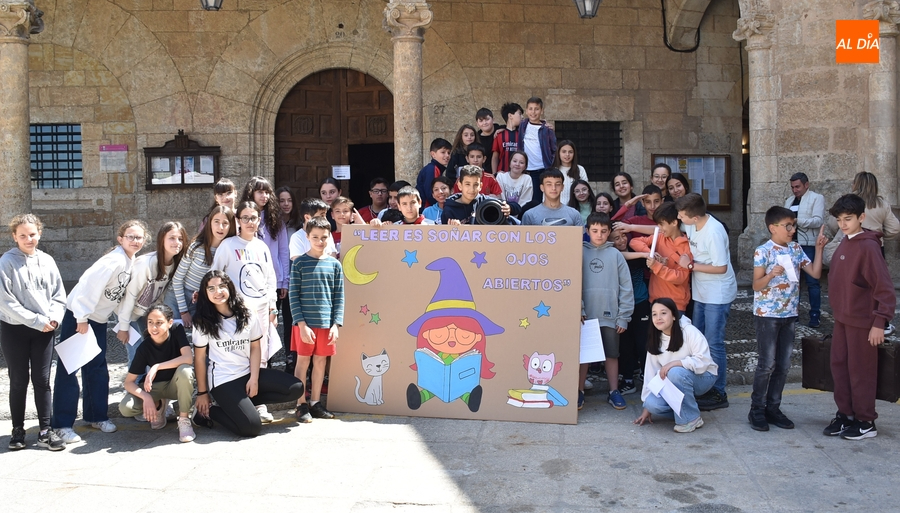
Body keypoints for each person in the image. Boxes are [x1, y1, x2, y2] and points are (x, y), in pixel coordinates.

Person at [52, 220, 148, 444]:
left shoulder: (131, 263)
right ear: (120, 238)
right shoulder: (113, 261)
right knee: (69, 369)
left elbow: (117, 298)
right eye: (131, 236)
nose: (135, 241)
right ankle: (62, 424)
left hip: (97, 320)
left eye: (139, 237)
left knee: (96, 368)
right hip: (78, 317)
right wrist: (81, 318)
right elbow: (88, 286)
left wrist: (121, 325)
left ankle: (96, 416)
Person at [192, 271, 305, 437]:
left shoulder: (246, 313)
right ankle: (210, 412)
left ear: (230, 287)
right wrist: (202, 393)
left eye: (222, 286)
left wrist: (254, 378)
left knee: (295, 388)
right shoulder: (202, 320)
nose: (218, 292)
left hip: (247, 374)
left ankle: (240, 405)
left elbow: (255, 347)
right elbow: (200, 358)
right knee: (251, 428)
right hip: (224, 380)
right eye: (211, 288)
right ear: (205, 293)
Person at [822, 194, 896, 440]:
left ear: (862, 218)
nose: (843, 224)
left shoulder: (868, 246)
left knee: (861, 371)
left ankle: (866, 421)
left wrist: (879, 322)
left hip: (863, 322)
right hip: (843, 319)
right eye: (840, 220)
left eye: (848, 219)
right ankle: (846, 415)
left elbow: (884, 288)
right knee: (840, 367)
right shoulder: (846, 241)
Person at [749, 206, 825, 432]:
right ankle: (756, 409)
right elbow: (756, 285)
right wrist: (771, 275)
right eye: (787, 226)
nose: (792, 230)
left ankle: (773, 407)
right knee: (767, 364)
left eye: (793, 225)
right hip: (768, 315)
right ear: (773, 228)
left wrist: (819, 249)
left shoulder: (796, 248)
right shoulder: (763, 251)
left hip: (789, 314)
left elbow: (816, 273)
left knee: (782, 365)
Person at [0, 214, 67, 451]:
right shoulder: (6, 262)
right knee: (18, 380)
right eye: (23, 235)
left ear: (39, 233)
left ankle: (46, 431)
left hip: (45, 331)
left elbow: (59, 295)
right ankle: (18, 430)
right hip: (14, 330)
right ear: (14, 237)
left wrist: (54, 319)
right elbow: (5, 301)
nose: (29, 239)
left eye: (32, 234)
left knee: (42, 380)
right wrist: (37, 321)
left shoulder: (47, 261)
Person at [212, 201, 279, 423]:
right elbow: (215, 275)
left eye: (254, 218)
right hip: (237, 313)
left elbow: (270, 278)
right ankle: (235, 399)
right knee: (238, 356)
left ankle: (258, 403)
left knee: (261, 357)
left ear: (259, 220)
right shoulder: (228, 245)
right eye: (245, 218)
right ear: (237, 221)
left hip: (261, 310)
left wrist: (273, 306)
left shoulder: (262, 246)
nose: (250, 222)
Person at [675, 193, 737, 411]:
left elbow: (721, 267)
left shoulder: (714, 231)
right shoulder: (692, 224)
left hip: (717, 294)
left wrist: (690, 266)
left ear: (694, 217)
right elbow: (667, 228)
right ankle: (703, 386)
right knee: (698, 339)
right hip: (701, 292)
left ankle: (719, 391)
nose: (679, 218)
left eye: (682, 215)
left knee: (714, 342)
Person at [633, 298, 718, 433]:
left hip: (703, 377)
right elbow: (651, 373)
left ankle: (691, 419)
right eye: (654, 314)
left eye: (663, 313)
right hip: (675, 381)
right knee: (651, 404)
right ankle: (688, 409)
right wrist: (646, 408)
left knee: (675, 372)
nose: (658, 318)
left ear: (673, 316)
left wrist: (678, 363)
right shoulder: (655, 340)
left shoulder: (689, 331)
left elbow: (704, 361)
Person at [289, 217, 345, 422]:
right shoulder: (299, 263)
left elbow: (339, 296)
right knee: (302, 363)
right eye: (315, 237)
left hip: (326, 324)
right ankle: (300, 403)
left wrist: (336, 324)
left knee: (320, 361)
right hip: (305, 325)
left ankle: (315, 402)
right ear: (307, 237)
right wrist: (301, 325)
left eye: (323, 237)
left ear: (329, 237)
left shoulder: (334, 265)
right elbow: (293, 296)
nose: (320, 241)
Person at [118, 305, 196, 443]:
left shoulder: (177, 330)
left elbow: (188, 358)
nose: (154, 327)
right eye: (150, 322)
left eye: (159, 323)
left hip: (175, 385)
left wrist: (157, 367)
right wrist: (146, 397)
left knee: (185, 371)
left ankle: (184, 420)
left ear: (169, 322)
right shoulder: (144, 347)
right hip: (154, 389)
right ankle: (159, 405)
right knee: (126, 408)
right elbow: (129, 382)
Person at [580, 212, 634, 410]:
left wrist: (624, 317)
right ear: (587, 231)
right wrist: (579, 308)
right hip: (585, 317)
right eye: (594, 231)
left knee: (612, 355)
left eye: (604, 231)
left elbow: (626, 287)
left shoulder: (616, 255)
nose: (599, 235)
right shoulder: (579, 253)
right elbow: (573, 283)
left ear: (609, 232)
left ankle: (613, 391)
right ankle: (579, 391)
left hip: (610, 316)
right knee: (584, 356)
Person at [115, 221, 188, 367]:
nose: (177, 242)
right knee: (135, 352)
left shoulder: (174, 263)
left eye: (180, 239)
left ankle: (149, 384)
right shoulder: (146, 264)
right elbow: (130, 296)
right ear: (162, 240)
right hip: (126, 312)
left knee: (150, 347)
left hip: (145, 312)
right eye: (172, 238)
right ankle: (133, 386)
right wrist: (123, 326)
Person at [172, 205, 234, 328]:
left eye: (225, 223)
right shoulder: (196, 247)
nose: (220, 227)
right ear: (210, 223)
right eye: (216, 222)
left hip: (204, 300)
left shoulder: (229, 251)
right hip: (179, 297)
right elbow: (177, 280)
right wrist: (183, 311)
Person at [628, 203, 692, 313]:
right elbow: (634, 242)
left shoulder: (687, 246)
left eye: (662, 224)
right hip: (655, 300)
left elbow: (680, 277)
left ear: (674, 222)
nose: (659, 228)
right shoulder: (660, 237)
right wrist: (651, 253)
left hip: (676, 304)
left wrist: (656, 266)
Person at [783, 172, 825, 327]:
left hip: (808, 245)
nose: (795, 190)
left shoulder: (816, 198)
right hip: (791, 245)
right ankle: (794, 313)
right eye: (793, 187)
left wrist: (796, 220)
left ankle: (815, 314)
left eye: (798, 186)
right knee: (793, 281)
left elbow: (818, 221)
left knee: (812, 281)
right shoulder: (788, 201)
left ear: (806, 185)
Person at [241, 177, 290, 308]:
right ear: (251, 193)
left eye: (267, 192)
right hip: (248, 277)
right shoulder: (240, 216)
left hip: (274, 277)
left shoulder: (276, 218)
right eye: (260, 192)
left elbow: (283, 250)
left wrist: (285, 281)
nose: (264, 196)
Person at [442, 165, 521, 225]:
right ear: (459, 185)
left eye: (476, 185)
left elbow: (517, 207)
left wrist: (509, 208)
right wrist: (452, 228)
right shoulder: (449, 209)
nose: (472, 189)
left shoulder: (487, 202)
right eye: (467, 184)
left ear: (481, 186)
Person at [519, 97, 557, 208]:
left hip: (542, 168)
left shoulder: (547, 129)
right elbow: (509, 126)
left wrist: (551, 165)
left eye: (536, 109)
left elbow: (554, 148)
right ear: (526, 111)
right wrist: (499, 129)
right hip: (526, 170)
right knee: (526, 199)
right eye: (530, 109)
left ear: (542, 111)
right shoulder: (523, 125)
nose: (533, 112)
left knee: (538, 199)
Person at [415, 138, 451, 207]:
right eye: (443, 152)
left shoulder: (434, 168)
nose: (447, 155)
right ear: (433, 154)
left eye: (449, 153)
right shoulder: (433, 169)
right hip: (427, 209)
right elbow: (430, 194)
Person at [491, 102, 523, 174]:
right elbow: (495, 157)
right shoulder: (499, 135)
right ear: (510, 116)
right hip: (502, 173)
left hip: (518, 174)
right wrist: (494, 173)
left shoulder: (522, 134)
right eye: (520, 113)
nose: (522, 117)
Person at [554, 140, 589, 205]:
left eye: (570, 152)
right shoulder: (554, 171)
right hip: (557, 209)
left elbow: (585, 192)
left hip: (577, 208)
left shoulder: (580, 169)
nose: (567, 154)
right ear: (558, 153)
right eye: (564, 151)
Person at [476, 107, 502, 175]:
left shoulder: (501, 130)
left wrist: (504, 130)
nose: (484, 123)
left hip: (503, 172)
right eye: (481, 121)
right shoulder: (477, 139)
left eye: (487, 119)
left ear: (493, 120)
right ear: (477, 124)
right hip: (485, 174)